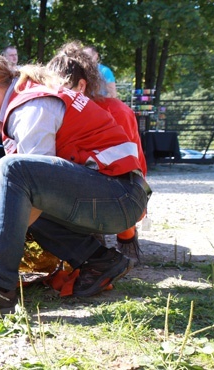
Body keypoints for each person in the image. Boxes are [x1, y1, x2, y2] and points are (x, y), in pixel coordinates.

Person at [0, 45, 151, 322]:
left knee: (11, 169)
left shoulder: (30, 106)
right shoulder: (29, 99)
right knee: (16, 183)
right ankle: (99, 260)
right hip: (117, 194)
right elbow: (36, 186)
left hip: (120, 198)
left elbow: (27, 183)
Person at [47, 41, 147, 264]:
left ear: (81, 86)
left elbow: (132, 167)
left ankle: (122, 237)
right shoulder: (53, 110)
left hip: (114, 192)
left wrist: (126, 231)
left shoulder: (117, 111)